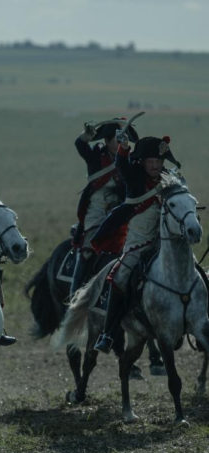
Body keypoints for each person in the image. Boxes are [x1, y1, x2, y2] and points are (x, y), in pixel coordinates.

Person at [91, 134, 180, 353]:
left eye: (159, 161)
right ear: (142, 162)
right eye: (151, 161)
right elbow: (121, 164)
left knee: (193, 272)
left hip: (166, 246)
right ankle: (108, 333)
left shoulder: (170, 179)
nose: (155, 165)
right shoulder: (134, 177)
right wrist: (123, 147)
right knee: (119, 278)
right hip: (138, 245)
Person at [70, 118, 138, 297]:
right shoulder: (96, 157)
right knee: (87, 251)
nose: (121, 142)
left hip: (124, 214)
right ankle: (74, 295)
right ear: (107, 141)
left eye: (124, 138)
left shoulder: (131, 159)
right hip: (98, 212)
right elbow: (80, 145)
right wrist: (86, 136)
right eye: (117, 139)